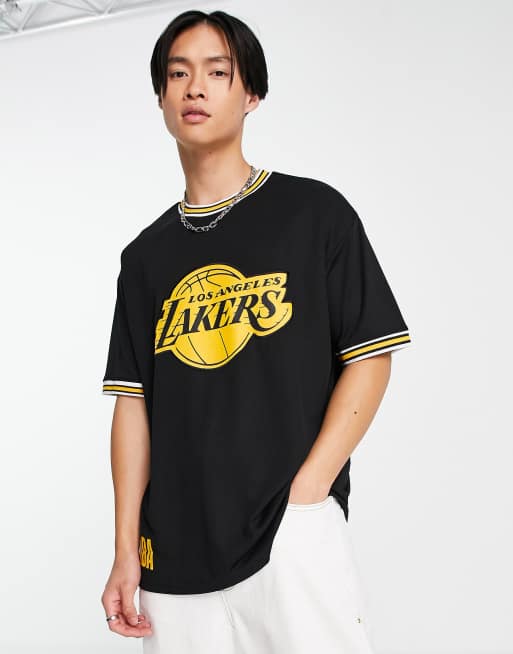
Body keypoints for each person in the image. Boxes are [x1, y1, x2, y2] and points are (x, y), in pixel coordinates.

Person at [100, 9, 412, 653]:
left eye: (218, 72)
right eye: (178, 74)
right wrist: (126, 549)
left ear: (252, 95)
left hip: (288, 532)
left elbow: (370, 356)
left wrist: (309, 491)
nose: (195, 88)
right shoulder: (144, 257)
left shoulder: (312, 213)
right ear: (160, 96)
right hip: (173, 555)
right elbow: (133, 405)